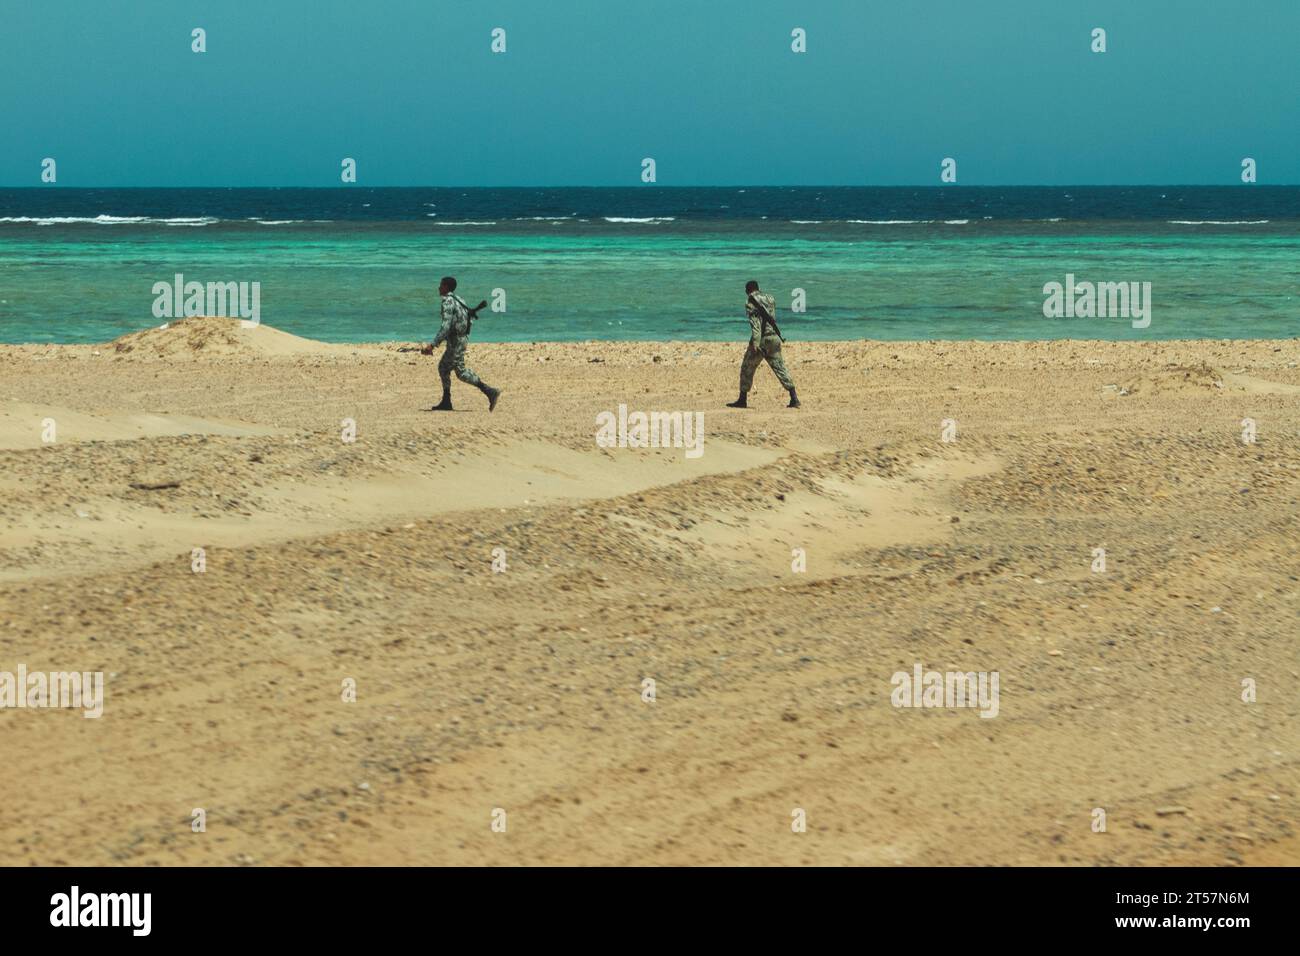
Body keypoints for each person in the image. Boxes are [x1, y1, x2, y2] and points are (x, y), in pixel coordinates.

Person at [421, 276, 501, 411]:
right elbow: (466, 321)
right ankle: (446, 401)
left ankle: (490, 391)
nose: (439, 287)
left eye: (441, 285)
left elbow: (445, 326)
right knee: (443, 367)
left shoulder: (447, 302)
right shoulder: (460, 300)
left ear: (446, 287)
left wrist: (433, 344)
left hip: (456, 342)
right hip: (461, 339)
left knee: (461, 372)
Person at [727, 280, 799, 408]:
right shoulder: (770, 298)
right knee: (780, 368)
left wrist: (756, 343)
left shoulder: (750, 302)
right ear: (758, 288)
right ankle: (794, 397)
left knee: (747, 368)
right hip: (774, 337)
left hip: (762, 340)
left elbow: (755, 324)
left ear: (747, 291)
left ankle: (742, 400)